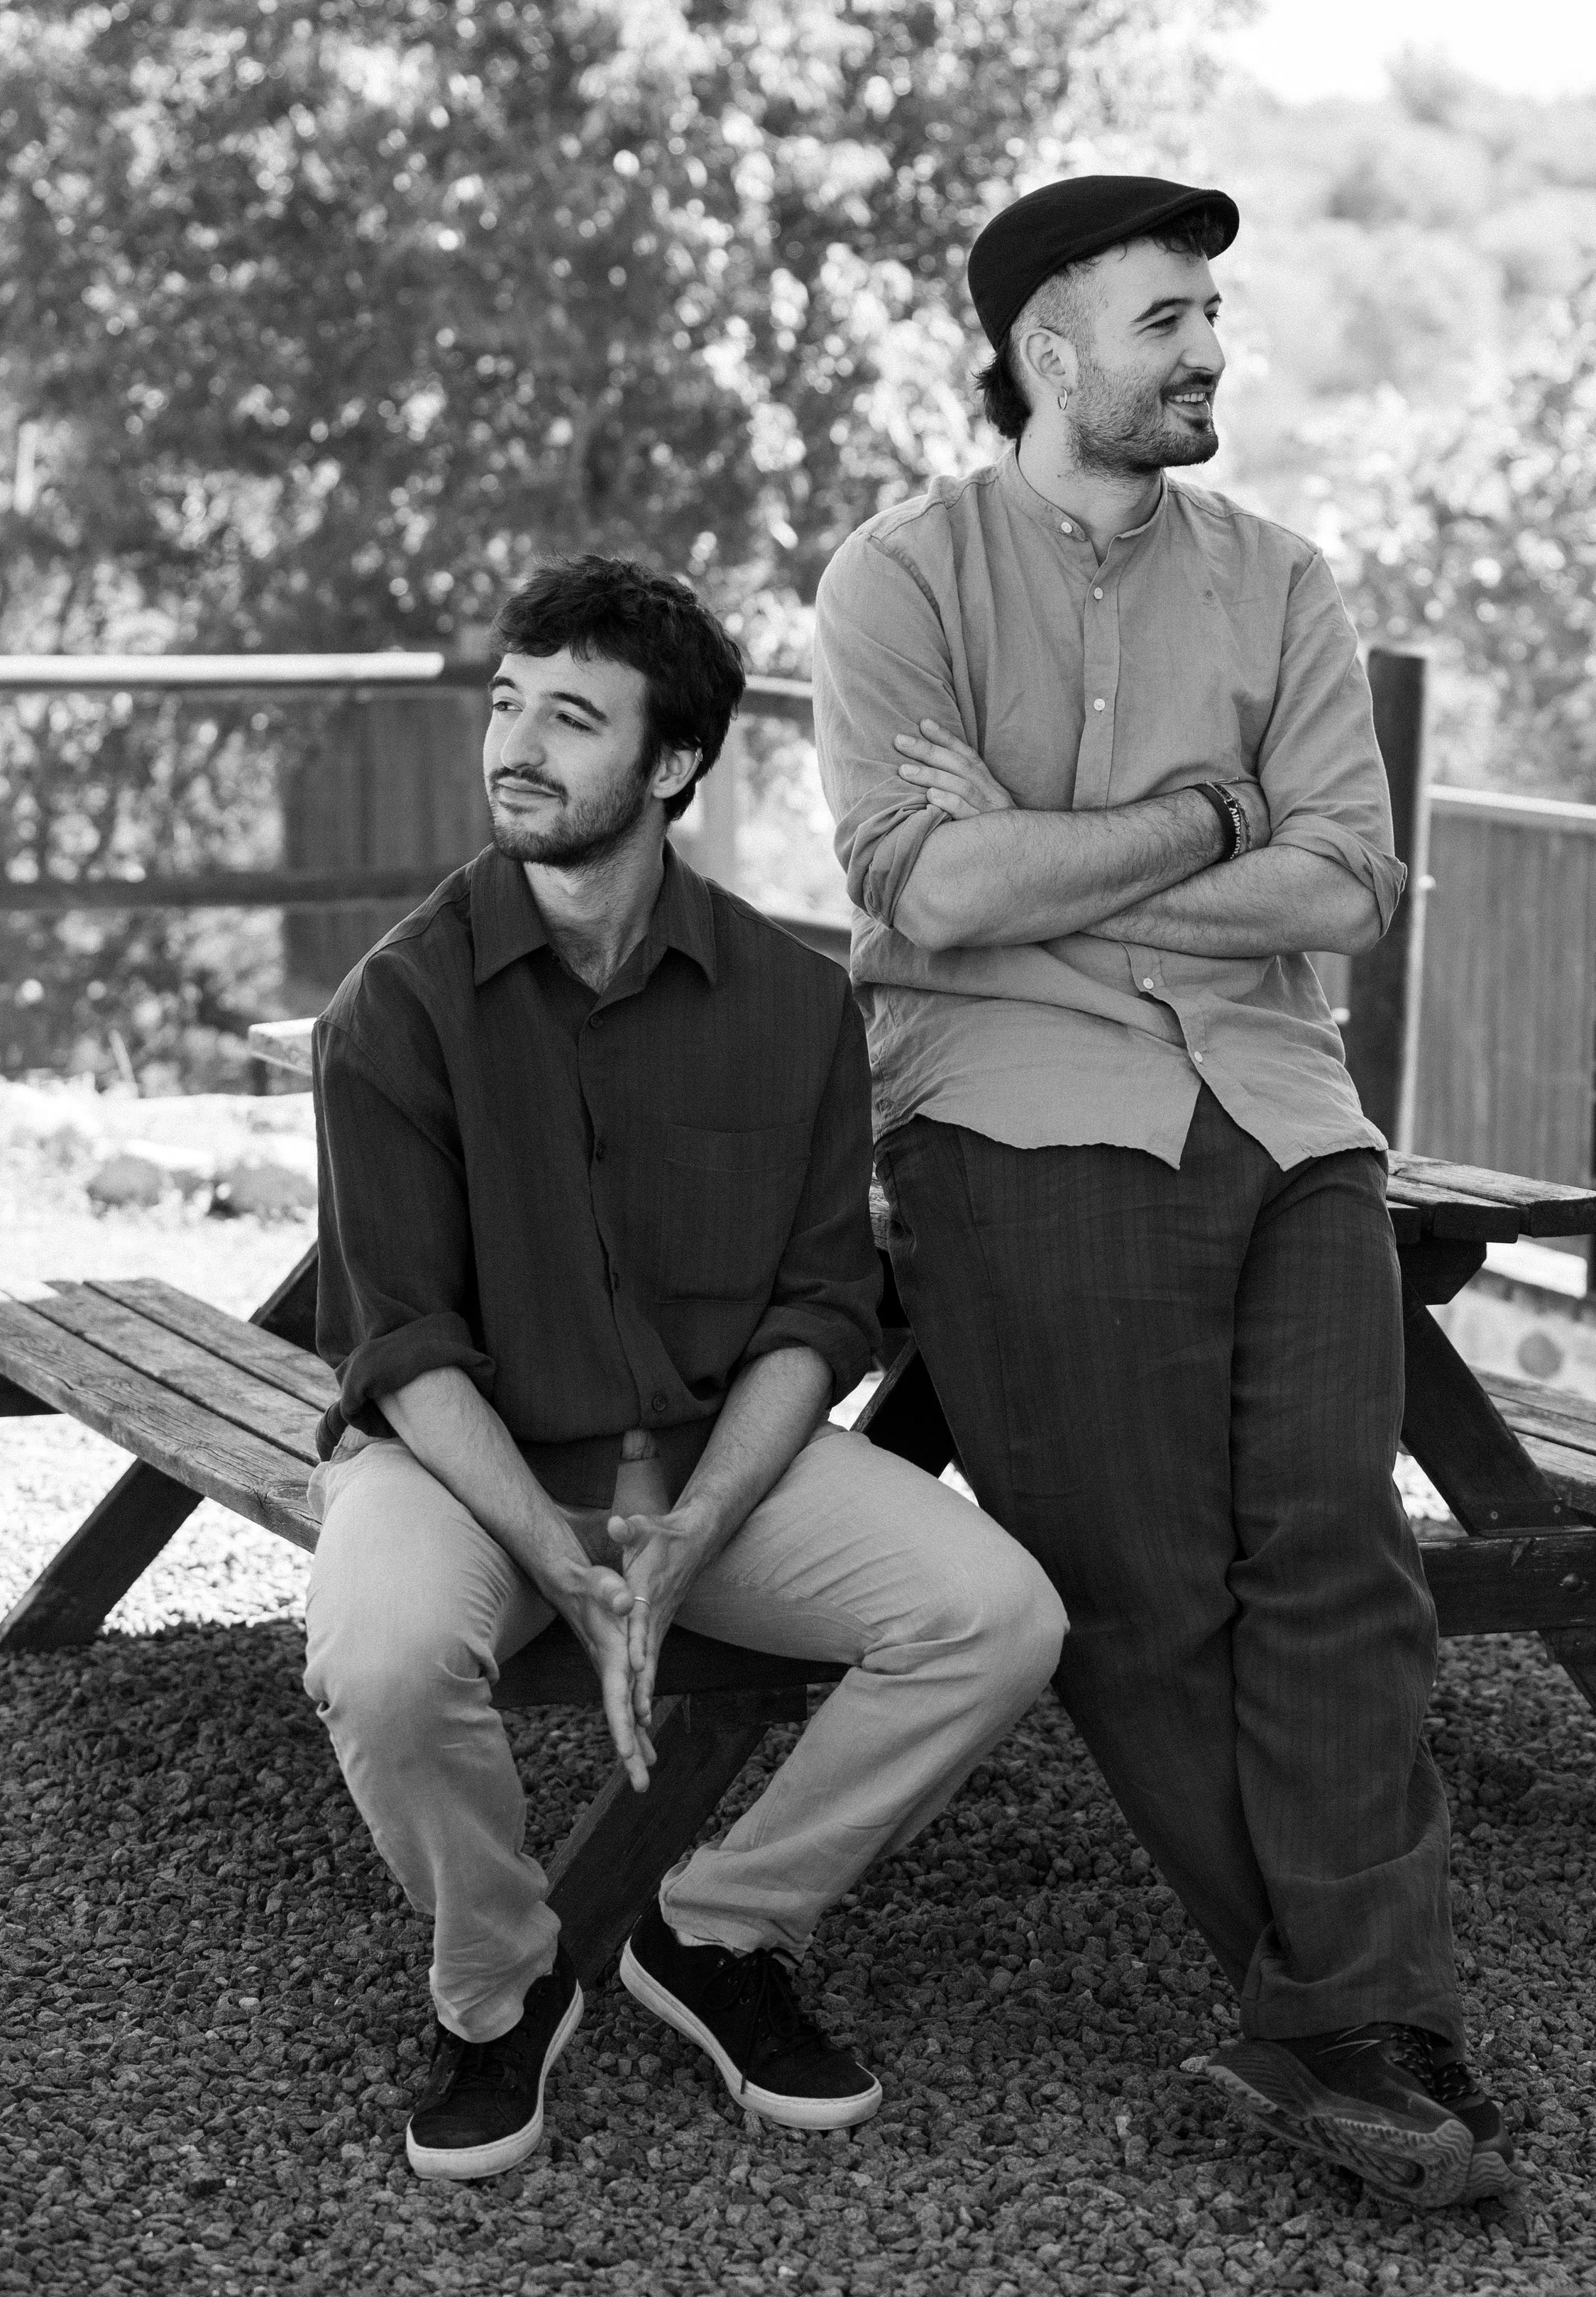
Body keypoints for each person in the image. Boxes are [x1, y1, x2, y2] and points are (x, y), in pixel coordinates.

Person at [812, 175, 1510, 2210]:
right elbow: (929, 886)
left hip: (1286, 1115)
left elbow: (1345, 882)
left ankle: (1350, 2028)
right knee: (1136, 1590)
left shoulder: (1280, 580)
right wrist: (1214, 815)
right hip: (1013, 1113)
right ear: (1046, 353)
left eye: (1213, 315)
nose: (1210, 351)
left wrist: (1063, 856)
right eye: (1166, 321)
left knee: (1341, 1564)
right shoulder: (898, 578)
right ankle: (1356, 2016)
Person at [302, 551, 1066, 2181]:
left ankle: (716, 1928)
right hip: (461, 1459)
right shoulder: (395, 1008)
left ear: (671, 766)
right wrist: (560, 1561)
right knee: (380, 1660)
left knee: (996, 1617)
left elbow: (818, 1311)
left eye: (570, 720)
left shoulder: (792, 1004)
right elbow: (402, 1345)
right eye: (507, 705)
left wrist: (699, 1525)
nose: (515, 748)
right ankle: (500, 1985)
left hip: (712, 1455)